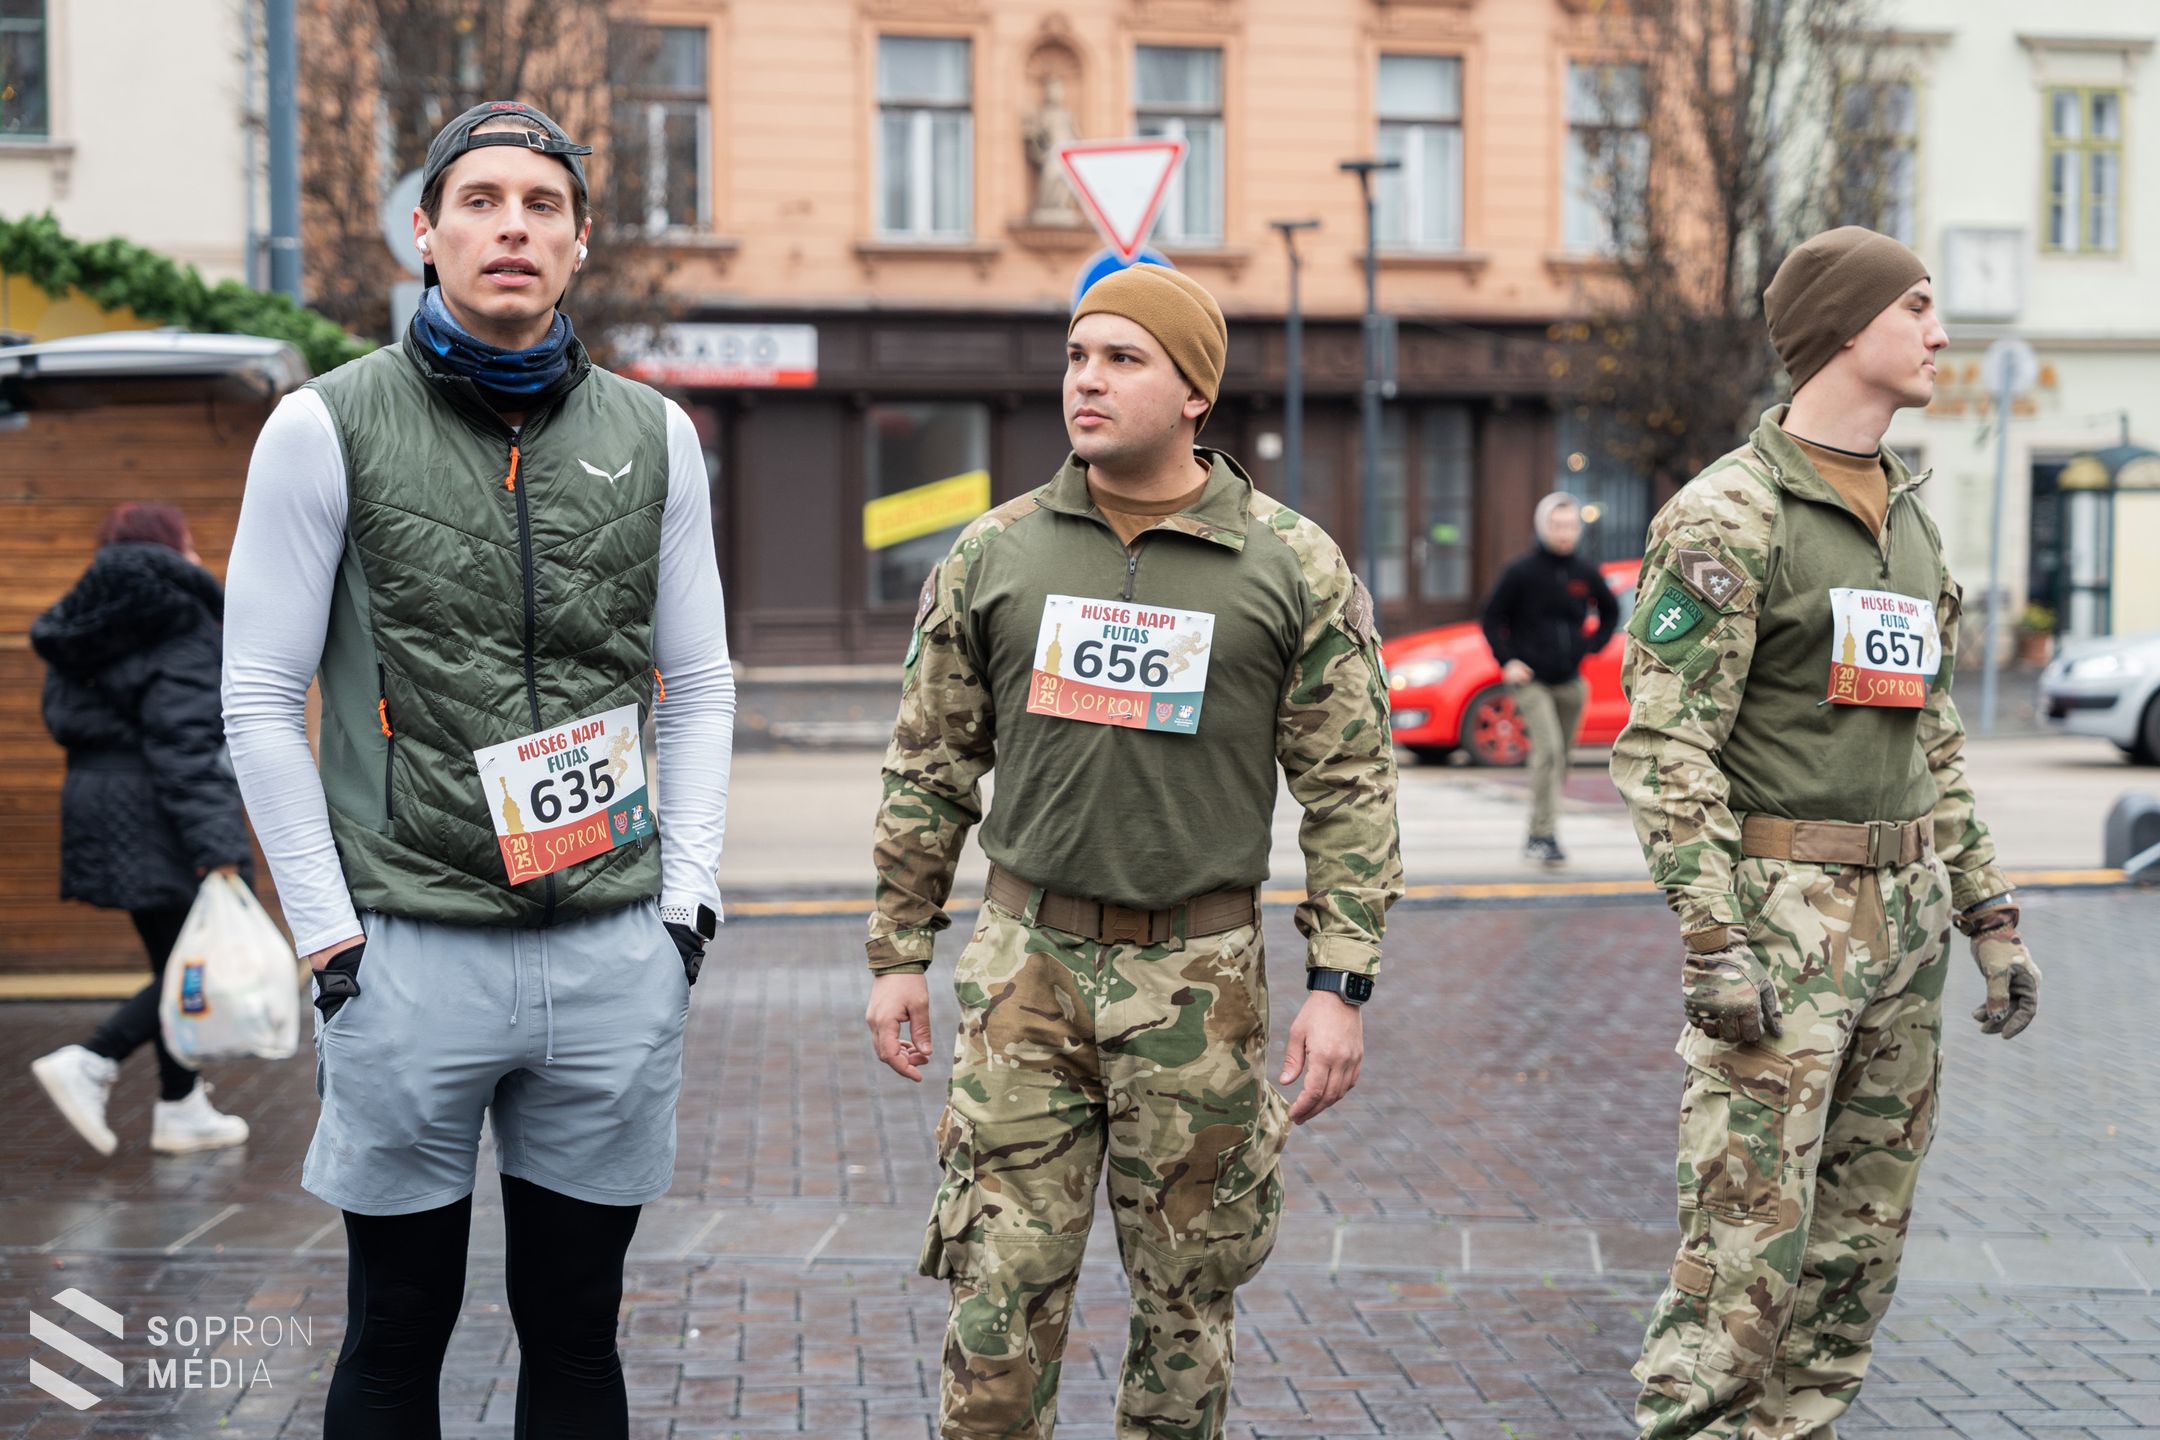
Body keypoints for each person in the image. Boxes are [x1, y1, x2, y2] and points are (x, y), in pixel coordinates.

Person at [220, 101, 734, 1439]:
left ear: (577, 246)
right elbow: (261, 698)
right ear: (426, 235)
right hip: (406, 948)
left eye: (544, 205)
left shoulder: (657, 436)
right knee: (396, 1335)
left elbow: (704, 685)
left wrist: (685, 908)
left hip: (611, 943)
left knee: (578, 1339)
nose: (514, 224)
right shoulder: (322, 429)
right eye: (483, 199)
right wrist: (330, 940)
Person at [864, 263, 1403, 1440]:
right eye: (1076, 356)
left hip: (1198, 987)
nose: (1087, 382)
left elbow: (1351, 792)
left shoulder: (1290, 564)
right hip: (1023, 974)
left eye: (1123, 359)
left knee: (1185, 1317)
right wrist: (899, 952)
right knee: (996, 1306)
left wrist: (1340, 985)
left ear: (1195, 391)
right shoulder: (996, 553)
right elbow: (929, 767)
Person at [1610, 226, 2042, 1440]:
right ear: (1847, 329)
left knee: (1855, 1260)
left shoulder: (1909, 519)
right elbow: (1663, 749)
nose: (1941, 333)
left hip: (1906, 932)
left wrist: (1990, 917)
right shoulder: (1731, 515)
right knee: (1741, 1261)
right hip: (1782, 927)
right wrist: (1712, 938)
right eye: (1917, 306)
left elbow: (1934, 738)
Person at [29, 504, 255, 1156]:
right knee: (195, 963)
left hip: (99, 799)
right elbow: (185, 740)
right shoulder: (178, 613)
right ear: (176, 544)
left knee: (174, 958)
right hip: (160, 807)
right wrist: (217, 847)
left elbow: (61, 717)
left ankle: (181, 1104)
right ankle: (94, 1060)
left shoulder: (82, 616)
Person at [1479, 490, 1618, 864]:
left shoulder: (1585, 573)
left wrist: (1592, 645)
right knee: (1549, 752)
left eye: (1570, 525)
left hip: (1571, 681)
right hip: (1531, 680)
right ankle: (1542, 835)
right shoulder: (1521, 572)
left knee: (1561, 757)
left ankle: (1541, 829)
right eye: (1557, 525)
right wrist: (1507, 660)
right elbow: (1492, 618)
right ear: (1543, 527)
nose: (1564, 532)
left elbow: (1610, 610)